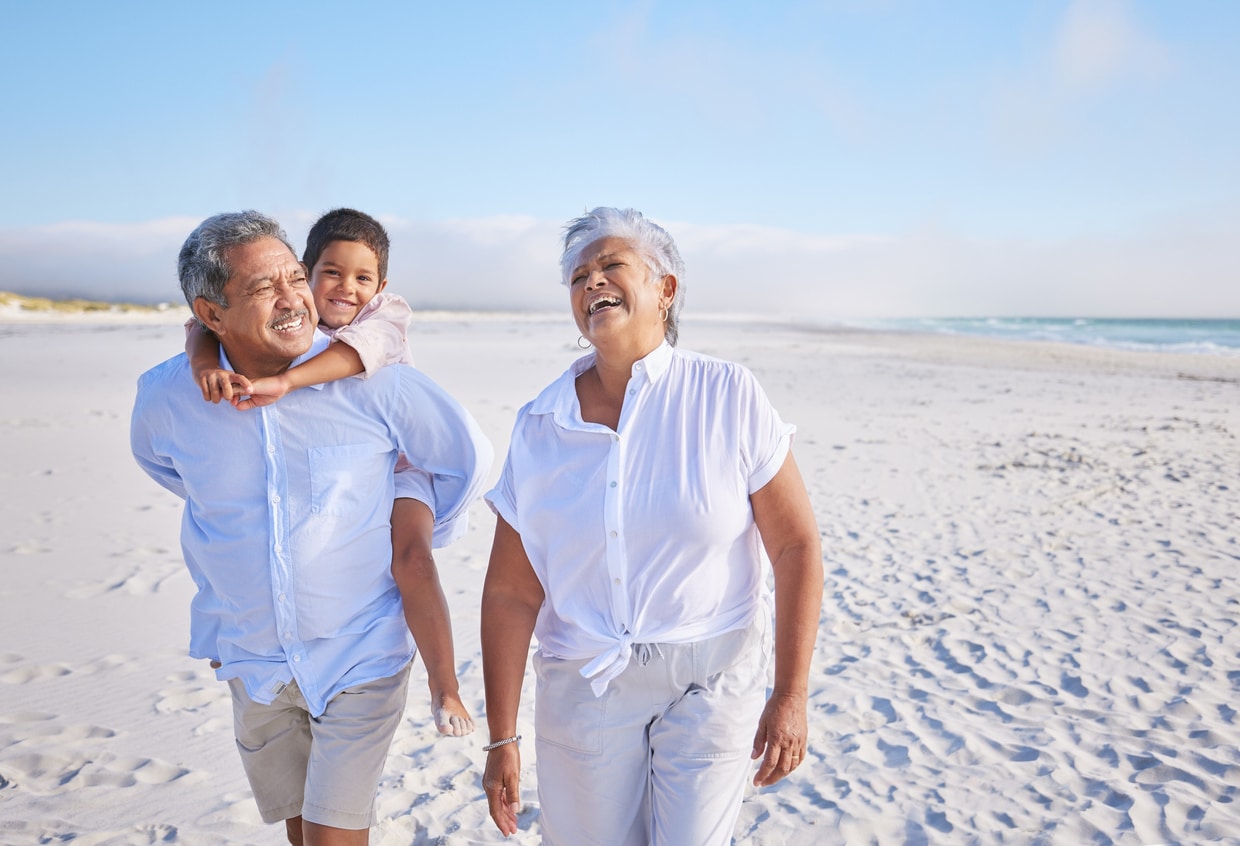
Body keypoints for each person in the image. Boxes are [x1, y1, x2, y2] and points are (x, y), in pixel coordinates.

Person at [130, 211, 492, 845]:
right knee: (301, 834)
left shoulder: (375, 381)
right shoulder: (167, 398)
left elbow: (467, 461)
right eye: (264, 287)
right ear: (211, 314)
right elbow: (169, 470)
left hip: (358, 653)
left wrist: (415, 525)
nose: (294, 298)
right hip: (252, 659)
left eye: (295, 277)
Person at [479, 207, 823, 844]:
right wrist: (502, 736)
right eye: (579, 276)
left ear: (665, 289)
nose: (592, 282)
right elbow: (510, 591)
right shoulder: (538, 426)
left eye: (612, 265)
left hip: (711, 674)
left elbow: (796, 545)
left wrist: (791, 694)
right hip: (584, 681)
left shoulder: (728, 394)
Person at [183, 207, 474, 736]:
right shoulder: (289, 311)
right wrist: (206, 367)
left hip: (402, 463)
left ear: (381, 285)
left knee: (411, 559)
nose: (347, 287)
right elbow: (198, 329)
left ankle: (445, 686)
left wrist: (289, 383)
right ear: (304, 272)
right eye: (330, 273)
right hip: (348, 467)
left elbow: (354, 360)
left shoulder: (384, 317)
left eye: (363, 278)